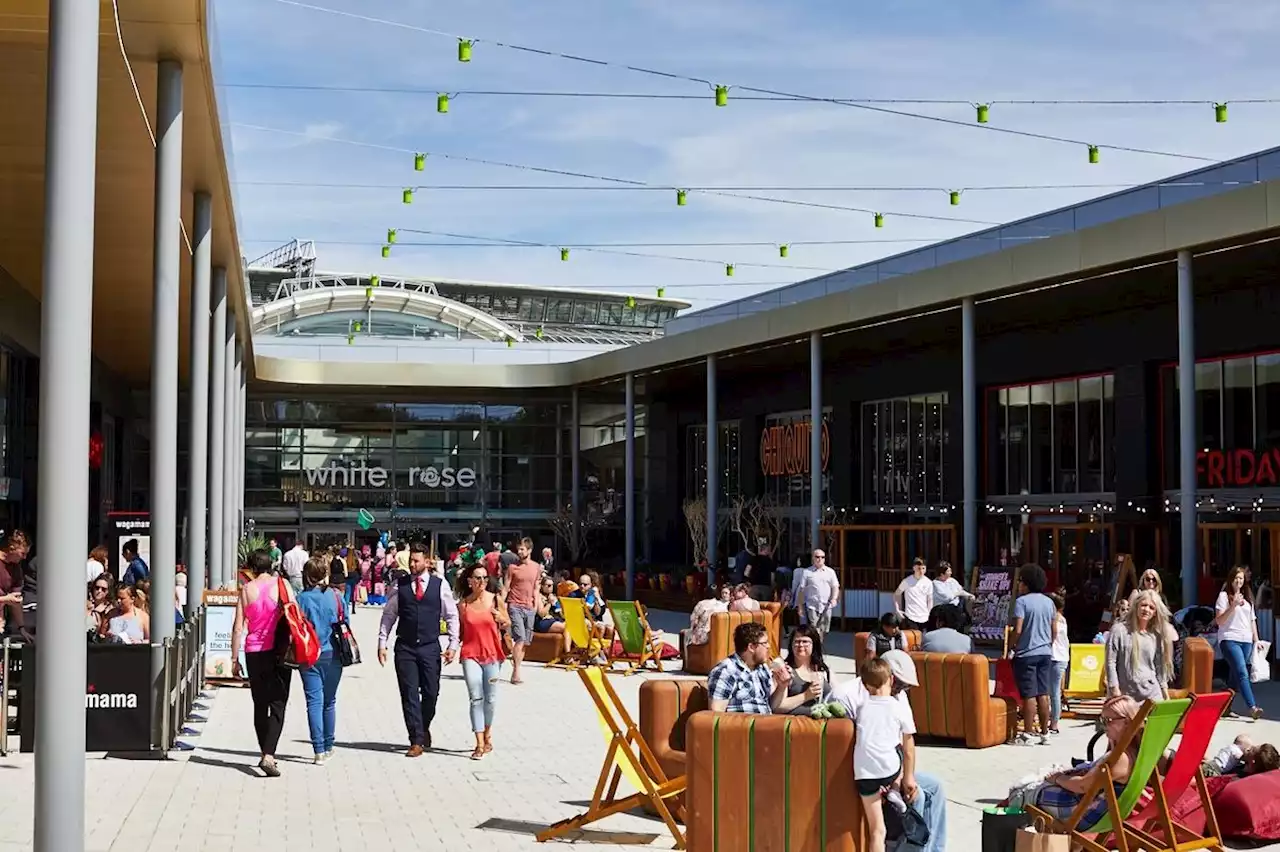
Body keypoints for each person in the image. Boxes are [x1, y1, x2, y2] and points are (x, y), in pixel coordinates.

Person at [830, 650, 948, 852]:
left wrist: (904, 775)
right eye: (901, 683)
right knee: (916, 796)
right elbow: (841, 747)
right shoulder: (847, 696)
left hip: (883, 769)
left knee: (935, 787)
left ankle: (934, 850)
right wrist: (899, 778)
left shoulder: (896, 695)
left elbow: (902, 744)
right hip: (864, 772)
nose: (902, 689)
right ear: (887, 676)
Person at [378, 541, 460, 756]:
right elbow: (389, 615)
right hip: (405, 647)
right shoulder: (400, 585)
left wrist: (453, 644)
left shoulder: (439, 585)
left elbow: (451, 615)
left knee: (432, 693)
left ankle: (423, 726)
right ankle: (415, 739)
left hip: (430, 646)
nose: (412, 564)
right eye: (411, 560)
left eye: (416, 560)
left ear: (427, 561)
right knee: (409, 693)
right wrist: (382, 642)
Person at [1030, 696, 1144, 828]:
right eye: (1103, 720)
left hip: (1086, 814)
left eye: (1109, 720)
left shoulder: (1120, 758)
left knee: (1027, 791)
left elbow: (1082, 786)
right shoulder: (1138, 751)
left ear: (1127, 722)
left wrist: (1057, 778)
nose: (1104, 725)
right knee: (1037, 784)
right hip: (1106, 811)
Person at [231, 549, 289, 777]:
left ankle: (264, 751)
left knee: (259, 703)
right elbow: (295, 613)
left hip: (253, 651)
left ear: (253, 568)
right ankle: (269, 754)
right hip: (278, 651)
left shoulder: (246, 590)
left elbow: (237, 628)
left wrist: (234, 659)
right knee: (278, 703)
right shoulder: (282, 585)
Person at [855, 657, 917, 852]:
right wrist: (908, 777)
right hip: (889, 769)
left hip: (864, 774)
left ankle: (890, 791)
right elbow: (909, 749)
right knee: (897, 747)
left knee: (877, 830)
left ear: (865, 686)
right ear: (891, 680)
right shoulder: (898, 707)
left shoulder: (861, 708)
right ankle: (894, 789)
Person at [457, 563, 509, 760]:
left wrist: (500, 617)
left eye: (485, 578)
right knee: (475, 697)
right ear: (470, 581)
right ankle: (479, 742)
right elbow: (460, 631)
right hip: (470, 655)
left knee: (491, 700)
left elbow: (508, 622)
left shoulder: (495, 600)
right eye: (478, 578)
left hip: (492, 656)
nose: (482, 582)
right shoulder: (464, 605)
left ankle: (487, 734)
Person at [296, 557, 345, 764]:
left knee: (313, 702)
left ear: (306, 576)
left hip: (309, 654)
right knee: (329, 701)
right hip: (333, 653)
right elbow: (345, 622)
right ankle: (328, 744)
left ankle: (318, 751)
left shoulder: (301, 599)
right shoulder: (335, 596)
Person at [1008, 563, 1057, 746]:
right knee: (1043, 693)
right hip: (1045, 652)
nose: (1019, 585)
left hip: (1026, 653)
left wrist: (1012, 646)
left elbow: (1018, 629)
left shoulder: (1022, 602)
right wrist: (1048, 644)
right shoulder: (1049, 602)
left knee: (1029, 694)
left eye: (1020, 581)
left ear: (1026, 583)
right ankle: (1045, 733)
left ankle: (1027, 734)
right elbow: (1054, 629)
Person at [707, 621, 791, 714]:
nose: (768, 646)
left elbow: (772, 707)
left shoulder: (762, 669)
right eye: (765, 643)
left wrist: (782, 686)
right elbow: (716, 715)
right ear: (751, 647)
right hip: (742, 726)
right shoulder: (726, 671)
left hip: (767, 724)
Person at [1106, 588, 1172, 704]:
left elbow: (1159, 666)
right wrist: (1114, 688)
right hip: (1127, 695)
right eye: (1144, 605)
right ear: (1136, 606)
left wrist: (1165, 692)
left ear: (1155, 612)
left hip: (1152, 694)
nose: (1146, 610)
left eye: (1151, 607)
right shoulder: (1119, 630)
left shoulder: (1155, 635)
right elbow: (1110, 662)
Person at [1215, 565, 1264, 720]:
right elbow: (1219, 620)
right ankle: (1252, 707)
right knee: (1242, 672)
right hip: (1229, 639)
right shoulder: (1224, 596)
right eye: (1236, 578)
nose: (1239, 581)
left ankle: (1225, 707)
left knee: (1234, 677)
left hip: (1246, 640)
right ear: (1231, 579)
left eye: (1241, 578)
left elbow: (1252, 620)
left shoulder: (1248, 597)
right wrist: (1233, 605)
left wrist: (1257, 640)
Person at [503, 537, 541, 685]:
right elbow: (506, 587)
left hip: (530, 607)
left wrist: (536, 605)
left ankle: (517, 666)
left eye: (522, 549)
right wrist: (501, 605)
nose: (519, 552)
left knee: (525, 641)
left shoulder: (536, 567)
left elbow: (536, 587)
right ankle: (516, 671)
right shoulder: (513, 568)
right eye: (518, 549)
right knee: (519, 638)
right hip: (515, 605)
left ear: (529, 550)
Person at [773, 625, 831, 715]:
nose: (800, 645)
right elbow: (777, 707)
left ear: (814, 645)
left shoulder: (824, 670)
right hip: (795, 725)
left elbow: (838, 696)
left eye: (805, 641)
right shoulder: (785, 671)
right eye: (796, 641)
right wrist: (806, 696)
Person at [797, 548, 840, 639]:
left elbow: (835, 587)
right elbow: (802, 590)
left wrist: (834, 599)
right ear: (813, 558)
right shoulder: (807, 572)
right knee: (814, 628)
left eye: (822, 557)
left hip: (826, 605)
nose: (820, 559)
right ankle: (815, 647)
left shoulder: (830, 572)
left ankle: (818, 646)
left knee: (823, 629)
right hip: (812, 605)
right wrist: (800, 606)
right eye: (817, 557)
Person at [1049, 591, 1070, 734]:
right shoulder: (1062, 618)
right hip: (1062, 656)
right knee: (1055, 691)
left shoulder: (1054, 618)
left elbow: (1053, 634)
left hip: (1055, 656)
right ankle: (1054, 721)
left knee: (1053, 691)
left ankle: (1054, 722)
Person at [894, 558, 932, 631]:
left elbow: (930, 599)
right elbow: (897, 594)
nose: (921, 571)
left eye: (923, 568)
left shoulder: (929, 582)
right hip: (910, 616)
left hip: (924, 617)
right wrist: (898, 609)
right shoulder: (907, 581)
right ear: (914, 568)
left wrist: (929, 614)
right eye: (919, 568)